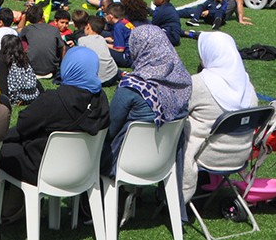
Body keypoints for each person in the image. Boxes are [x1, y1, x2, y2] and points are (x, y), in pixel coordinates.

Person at [0, 46, 109, 214]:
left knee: (3, 150)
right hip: (85, 169)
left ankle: (10, 209)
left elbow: (23, 124)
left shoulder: (53, 100)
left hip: (43, 169)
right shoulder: (101, 100)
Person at [181, 32, 259, 203]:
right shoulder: (246, 85)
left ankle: (173, 195)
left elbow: (178, 112)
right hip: (240, 155)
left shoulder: (199, 83)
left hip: (205, 155)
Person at [102, 25, 191, 174]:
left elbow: (110, 130)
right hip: (165, 162)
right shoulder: (182, 83)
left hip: (125, 162)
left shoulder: (132, 88)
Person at [0, 33, 41, 106]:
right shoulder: (24, 56)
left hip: (16, 96)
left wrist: (4, 99)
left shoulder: (2, 57)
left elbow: (2, 80)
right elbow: (32, 76)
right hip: (32, 94)